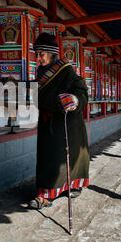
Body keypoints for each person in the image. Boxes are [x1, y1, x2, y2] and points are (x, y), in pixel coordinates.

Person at [29, 33, 90, 209]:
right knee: (48, 157)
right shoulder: (42, 74)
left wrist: (74, 99)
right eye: (37, 54)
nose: (38, 58)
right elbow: (36, 92)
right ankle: (48, 190)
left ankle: (48, 194)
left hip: (67, 124)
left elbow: (82, 91)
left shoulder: (66, 71)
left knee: (60, 157)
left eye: (42, 54)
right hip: (48, 122)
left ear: (52, 54)